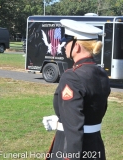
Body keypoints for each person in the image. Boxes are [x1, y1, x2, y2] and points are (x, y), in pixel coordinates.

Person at [42, 19, 111, 160]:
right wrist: (61, 118)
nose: (64, 45)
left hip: (72, 149)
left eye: (67, 41)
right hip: (95, 146)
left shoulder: (72, 77)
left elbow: (74, 128)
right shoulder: (101, 73)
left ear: (77, 46)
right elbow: (91, 111)